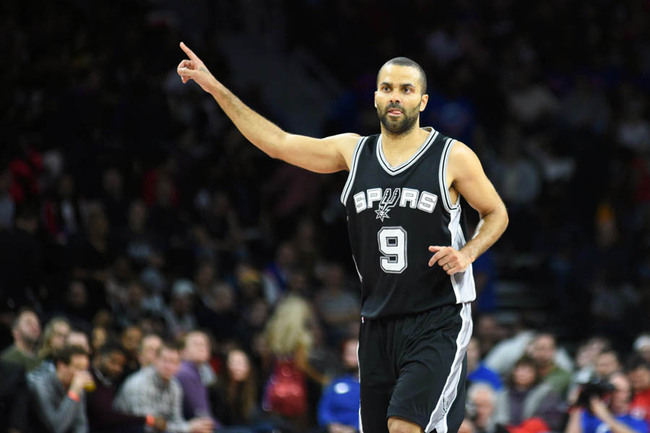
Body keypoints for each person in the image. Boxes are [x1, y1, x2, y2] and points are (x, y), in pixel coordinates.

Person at [177, 41, 508, 433]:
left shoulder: (452, 156)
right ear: (375, 97)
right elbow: (278, 144)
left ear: (422, 101)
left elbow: (495, 213)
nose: (395, 97)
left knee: (405, 426)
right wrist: (217, 89)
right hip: (376, 321)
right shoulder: (352, 151)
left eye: (406, 89)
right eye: (387, 88)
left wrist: (468, 252)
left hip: (436, 317)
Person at [114, 340, 214, 433]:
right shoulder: (139, 384)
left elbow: (176, 420)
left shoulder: (175, 386)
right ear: (156, 360)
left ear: (179, 365)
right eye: (165, 360)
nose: (168, 366)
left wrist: (193, 428)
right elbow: (147, 426)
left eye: (174, 362)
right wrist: (188, 427)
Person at [86, 341, 166, 433]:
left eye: (120, 365)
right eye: (113, 362)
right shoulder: (88, 378)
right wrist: (147, 420)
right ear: (99, 356)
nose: (117, 368)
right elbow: (105, 417)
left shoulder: (110, 380)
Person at [27, 345, 95, 433]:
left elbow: (80, 423)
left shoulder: (77, 386)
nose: (82, 374)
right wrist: (73, 392)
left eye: (84, 369)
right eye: (78, 368)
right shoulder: (41, 386)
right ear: (61, 365)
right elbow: (57, 427)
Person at [565, 372, 648, 433]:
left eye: (618, 391)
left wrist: (605, 417)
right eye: (611, 390)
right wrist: (578, 406)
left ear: (629, 393)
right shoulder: (591, 416)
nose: (614, 395)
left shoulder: (636, 419)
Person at [317, 337, 361, 433]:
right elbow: (324, 409)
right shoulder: (336, 383)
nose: (352, 358)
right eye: (348, 354)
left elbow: (374, 414)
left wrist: (354, 428)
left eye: (355, 353)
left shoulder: (371, 387)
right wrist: (331, 425)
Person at [1, 307, 42, 372]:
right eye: (29, 323)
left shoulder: (42, 357)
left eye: (36, 323)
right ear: (16, 332)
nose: (35, 327)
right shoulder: (7, 360)